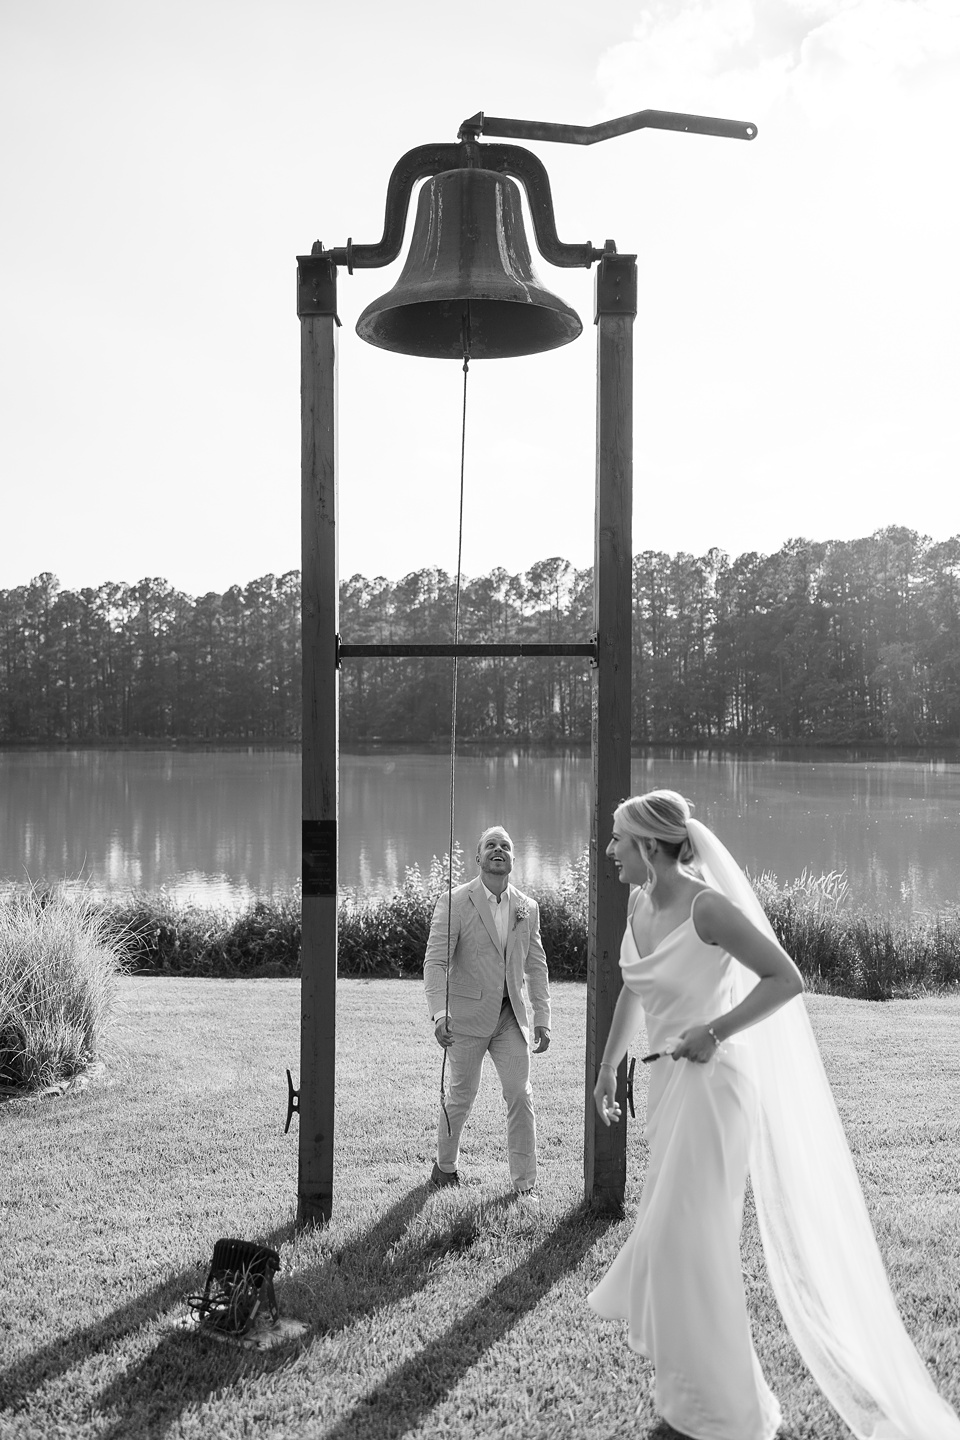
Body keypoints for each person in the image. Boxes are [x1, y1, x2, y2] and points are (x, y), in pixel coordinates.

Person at [588, 789, 960, 1440]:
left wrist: (716, 1030)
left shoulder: (709, 908)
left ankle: (730, 1418)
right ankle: (694, 1403)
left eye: (618, 838)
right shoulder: (640, 902)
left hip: (715, 1089)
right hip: (671, 1092)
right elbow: (633, 989)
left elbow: (786, 978)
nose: (609, 848)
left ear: (648, 845)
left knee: (690, 1247)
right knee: (678, 1249)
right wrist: (606, 1065)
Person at [423, 825, 551, 1195]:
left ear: (512, 859)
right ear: (478, 858)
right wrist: (439, 1013)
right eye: (490, 845)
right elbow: (435, 963)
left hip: (511, 1018)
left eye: (506, 846)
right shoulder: (454, 901)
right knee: (461, 1097)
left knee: (520, 1095)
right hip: (465, 1019)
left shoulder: (529, 907)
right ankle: (445, 1168)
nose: (499, 849)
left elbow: (536, 966)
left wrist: (541, 1017)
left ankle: (525, 1186)